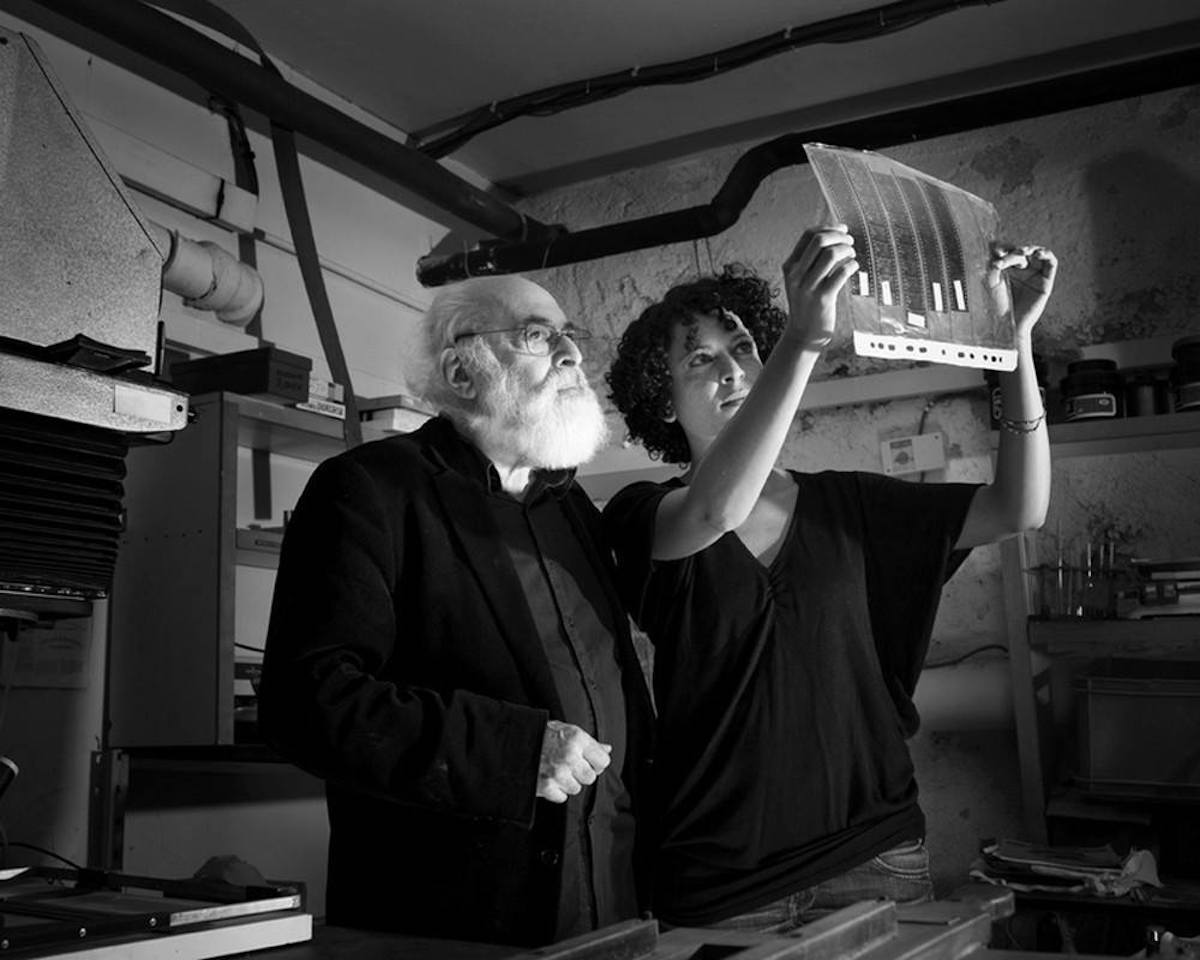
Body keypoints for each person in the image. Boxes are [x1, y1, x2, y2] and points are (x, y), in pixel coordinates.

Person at [602, 225, 1056, 931]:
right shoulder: (641, 515)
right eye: (701, 360)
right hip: (722, 880)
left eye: (744, 348)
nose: (732, 370)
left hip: (872, 858)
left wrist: (1016, 345)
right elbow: (718, 508)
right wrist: (803, 342)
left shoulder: (852, 505)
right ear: (663, 403)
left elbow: (1016, 508)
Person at [258, 275, 655, 947]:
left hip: (608, 905)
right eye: (537, 335)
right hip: (456, 920)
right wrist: (515, 750)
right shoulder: (369, 491)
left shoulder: (570, 507)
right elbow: (308, 703)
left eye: (569, 336)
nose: (571, 355)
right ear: (462, 370)